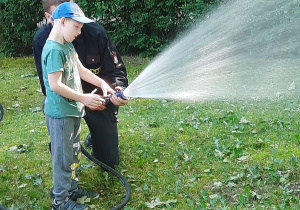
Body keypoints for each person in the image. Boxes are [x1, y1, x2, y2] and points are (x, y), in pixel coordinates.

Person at [33, 0, 129, 170]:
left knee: (109, 163)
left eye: (79, 23)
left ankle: (96, 136)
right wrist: (81, 100)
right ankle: (61, 145)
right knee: (65, 156)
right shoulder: (45, 42)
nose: (78, 29)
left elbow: (115, 70)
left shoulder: (95, 33)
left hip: (98, 101)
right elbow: (49, 86)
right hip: (66, 102)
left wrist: (115, 90)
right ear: (52, 18)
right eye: (70, 21)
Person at [42, 2, 115, 209]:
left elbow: (81, 71)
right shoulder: (54, 50)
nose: (80, 32)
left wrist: (101, 83)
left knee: (73, 152)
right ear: (62, 21)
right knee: (63, 158)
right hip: (60, 114)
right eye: (77, 27)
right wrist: (83, 98)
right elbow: (55, 85)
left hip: (72, 112)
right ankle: (60, 200)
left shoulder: (66, 44)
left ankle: (71, 189)